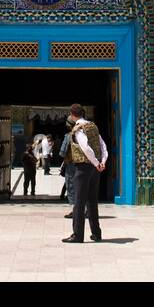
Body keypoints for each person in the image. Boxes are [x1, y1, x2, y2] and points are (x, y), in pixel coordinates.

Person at [61, 104, 107, 244]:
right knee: (92, 201)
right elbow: (103, 145)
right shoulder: (93, 126)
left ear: (72, 115)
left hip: (83, 168)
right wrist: (102, 162)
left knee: (79, 202)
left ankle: (77, 235)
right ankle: (96, 233)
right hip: (95, 168)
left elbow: (86, 148)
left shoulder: (78, 129)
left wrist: (95, 162)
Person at [58, 116, 74, 211]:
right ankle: (85, 209)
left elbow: (62, 153)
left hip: (72, 165)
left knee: (71, 186)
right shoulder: (86, 133)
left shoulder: (68, 136)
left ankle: (75, 210)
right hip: (87, 165)